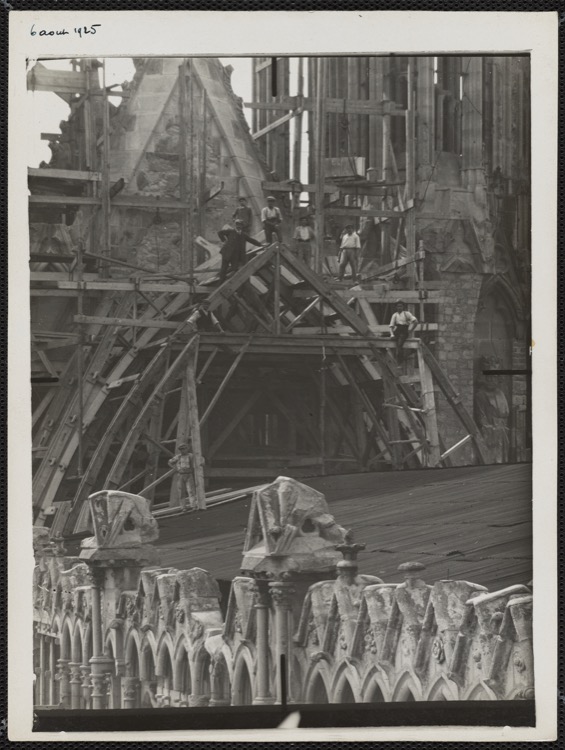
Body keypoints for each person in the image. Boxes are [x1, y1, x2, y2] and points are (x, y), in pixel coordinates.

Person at [168, 440, 200, 512]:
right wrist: (176, 469)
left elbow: (197, 460)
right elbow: (170, 462)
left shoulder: (191, 456)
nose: (182, 451)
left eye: (184, 449)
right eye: (181, 449)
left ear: (187, 449)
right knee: (181, 492)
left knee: (191, 491)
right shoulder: (178, 457)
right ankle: (183, 507)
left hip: (189, 474)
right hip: (181, 475)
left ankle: (193, 506)